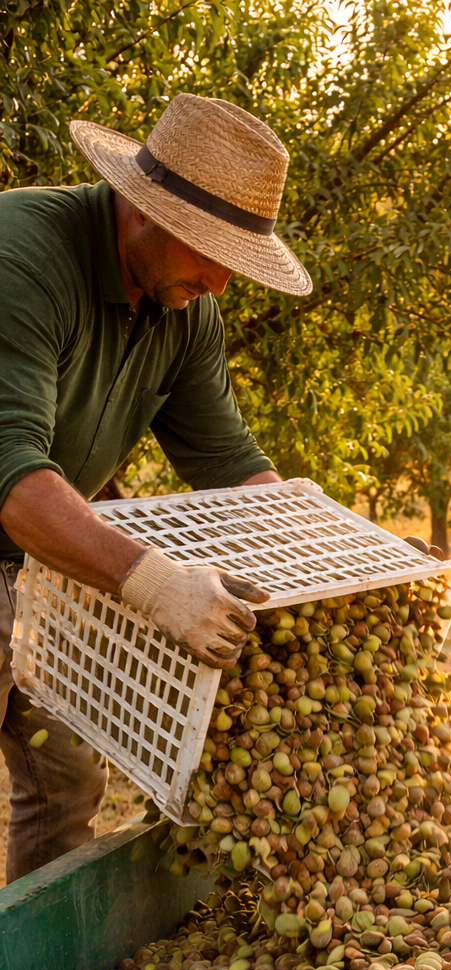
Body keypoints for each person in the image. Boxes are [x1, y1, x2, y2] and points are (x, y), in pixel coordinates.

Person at [0, 92, 312, 882]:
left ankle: (33, 954)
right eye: (210, 253)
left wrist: (334, 551)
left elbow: (228, 459)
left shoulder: (183, 307)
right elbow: (14, 478)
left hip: (42, 563)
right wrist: (156, 584)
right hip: (23, 518)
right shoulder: (23, 257)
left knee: (67, 781)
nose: (221, 282)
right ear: (144, 209)